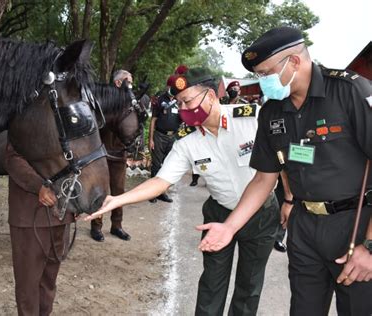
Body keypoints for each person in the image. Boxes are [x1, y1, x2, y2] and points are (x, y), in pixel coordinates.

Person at [196, 26, 372, 315]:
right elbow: (264, 177)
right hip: (304, 228)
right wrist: (229, 227)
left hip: (354, 225)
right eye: (259, 75)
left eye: (266, 73)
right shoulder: (272, 112)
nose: (263, 82)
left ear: (294, 61)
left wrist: (370, 245)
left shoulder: (349, 91)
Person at [85, 67, 283, 315]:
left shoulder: (251, 118)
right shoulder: (187, 141)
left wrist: (290, 199)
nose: (184, 109)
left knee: (249, 286)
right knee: (212, 284)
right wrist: (117, 199)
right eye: (180, 103)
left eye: (188, 101)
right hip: (219, 213)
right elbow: (161, 181)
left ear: (210, 95)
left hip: (261, 216)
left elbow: (279, 158)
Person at [5, 142, 74, 316]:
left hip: (62, 214)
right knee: (28, 285)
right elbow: (13, 158)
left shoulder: (73, 116)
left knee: (49, 281)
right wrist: (38, 185)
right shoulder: (26, 116)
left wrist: (80, 202)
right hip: (29, 214)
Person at [90, 69, 133, 242]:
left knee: (119, 191)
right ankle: (96, 226)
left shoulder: (129, 101)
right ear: (118, 82)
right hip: (101, 153)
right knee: (100, 192)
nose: (131, 84)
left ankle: (117, 225)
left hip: (119, 154)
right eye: (128, 81)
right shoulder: (103, 98)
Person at [148, 74, 182, 203]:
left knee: (168, 165)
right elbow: (153, 120)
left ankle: (162, 192)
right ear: (168, 86)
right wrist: (150, 139)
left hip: (172, 137)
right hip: (159, 136)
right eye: (171, 86)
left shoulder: (179, 101)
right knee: (156, 165)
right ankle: (151, 194)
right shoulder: (160, 100)